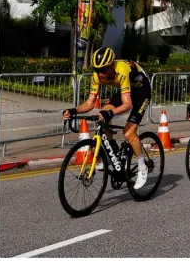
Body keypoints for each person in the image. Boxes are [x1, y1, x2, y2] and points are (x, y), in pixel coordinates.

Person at [64, 47, 152, 189]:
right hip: (127, 91)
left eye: (104, 70)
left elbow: (127, 104)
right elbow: (90, 103)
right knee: (102, 115)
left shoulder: (122, 70)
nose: (100, 74)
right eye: (97, 70)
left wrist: (111, 113)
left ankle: (142, 167)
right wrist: (74, 110)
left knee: (128, 133)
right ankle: (113, 155)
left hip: (142, 91)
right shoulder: (96, 75)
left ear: (111, 66)